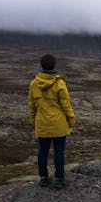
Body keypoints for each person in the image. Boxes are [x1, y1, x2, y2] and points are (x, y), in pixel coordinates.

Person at [28, 54, 75, 189]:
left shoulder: (34, 84)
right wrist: (71, 119)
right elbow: (66, 105)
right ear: (54, 65)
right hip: (59, 125)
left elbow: (31, 106)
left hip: (42, 124)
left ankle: (43, 178)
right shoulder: (59, 83)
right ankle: (59, 179)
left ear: (42, 65)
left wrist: (34, 121)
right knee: (59, 152)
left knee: (43, 152)